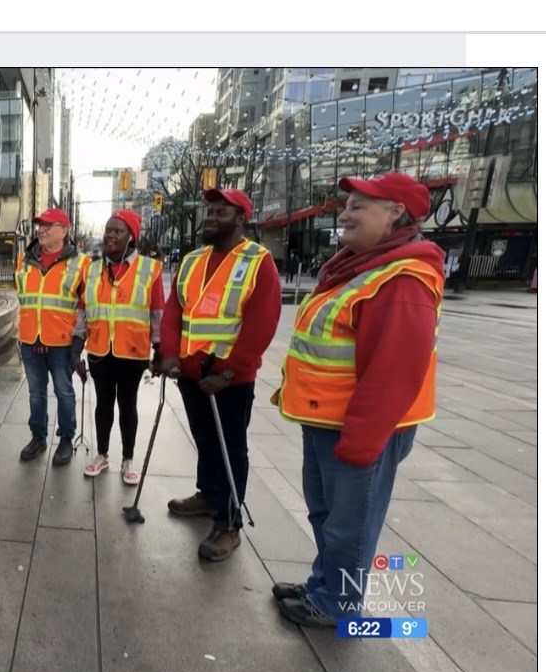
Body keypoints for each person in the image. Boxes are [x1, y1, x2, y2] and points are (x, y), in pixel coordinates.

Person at [270, 173, 445, 627]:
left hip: (360, 430)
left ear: (395, 214)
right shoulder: (358, 267)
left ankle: (339, 603)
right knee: (328, 515)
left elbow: (392, 373)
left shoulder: (402, 278)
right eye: (345, 205)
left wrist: (362, 442)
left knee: (350, 524)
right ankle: (324, 584)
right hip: (327, 421)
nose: (344, 214)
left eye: (359, 206)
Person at [155, 189, 281, 562]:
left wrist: (229, 371)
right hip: (192, 373)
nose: (209, 218)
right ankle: (208, 494)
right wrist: (169, 354)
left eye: (220, 212)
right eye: (208, 211)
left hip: (228, 380)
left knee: (230, 448)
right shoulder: (193, 261)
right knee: (206, 441)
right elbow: (174, 308)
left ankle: (229, 522)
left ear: (241, 218)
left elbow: (261, 324)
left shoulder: (259, 261)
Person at [79, 210, 165, 484]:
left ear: (131, 237)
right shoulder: (92, 269)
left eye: (117, 231)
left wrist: (159, 348)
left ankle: (128, 458)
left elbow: (157, 312)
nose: (110, 235)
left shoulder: (149, 269)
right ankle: (102, 454)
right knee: (103, 405)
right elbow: (83, 309)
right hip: (100, 350)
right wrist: (75, 346)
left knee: (128, 405)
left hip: (132, 352)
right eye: (108, 230)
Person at [15, 207, 90, 466]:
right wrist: (30, 333)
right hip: (29, 339)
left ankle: (66, 439)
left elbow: (85, 308)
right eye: (40, 225)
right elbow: (25, 299)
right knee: (36, 393)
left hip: (62, 343)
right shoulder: (23, 259)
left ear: (65, 230)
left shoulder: (82, 264)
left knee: (64, 393)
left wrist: (77, 345)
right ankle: (38, 436)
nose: (42, 230)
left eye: (49, 225)